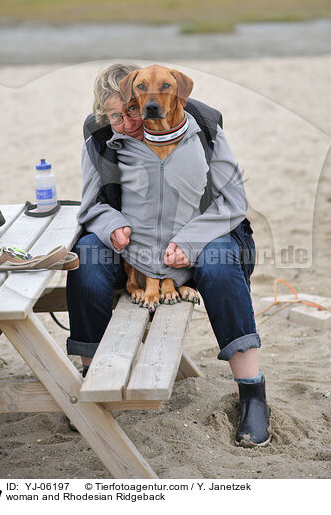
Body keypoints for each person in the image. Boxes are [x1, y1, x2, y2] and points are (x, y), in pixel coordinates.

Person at [66, 62, 270, 446]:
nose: (129, 121)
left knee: (222, 264)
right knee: (87, 257)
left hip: (203, 235)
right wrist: (112, 226)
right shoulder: (100, 143)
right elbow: (90, 205)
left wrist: (191, 242)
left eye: (132, 109)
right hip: (135, 248)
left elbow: (234, 200)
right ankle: (92, 377)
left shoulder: (203, 131)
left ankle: (252, 394)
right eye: (116, 115)